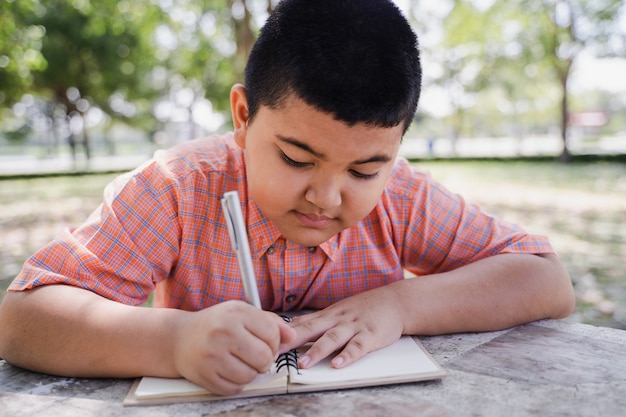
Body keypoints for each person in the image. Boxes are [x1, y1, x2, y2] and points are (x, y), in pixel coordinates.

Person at [0, 0, 574, 396]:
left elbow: (545, 280)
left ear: (396, 149)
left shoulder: (403, 198)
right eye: (297, 159)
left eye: (366, 168)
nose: (326, 197)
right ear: (243, 116)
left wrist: (401, 306)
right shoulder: (179, 189)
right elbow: (22, 319)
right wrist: (174, 342)